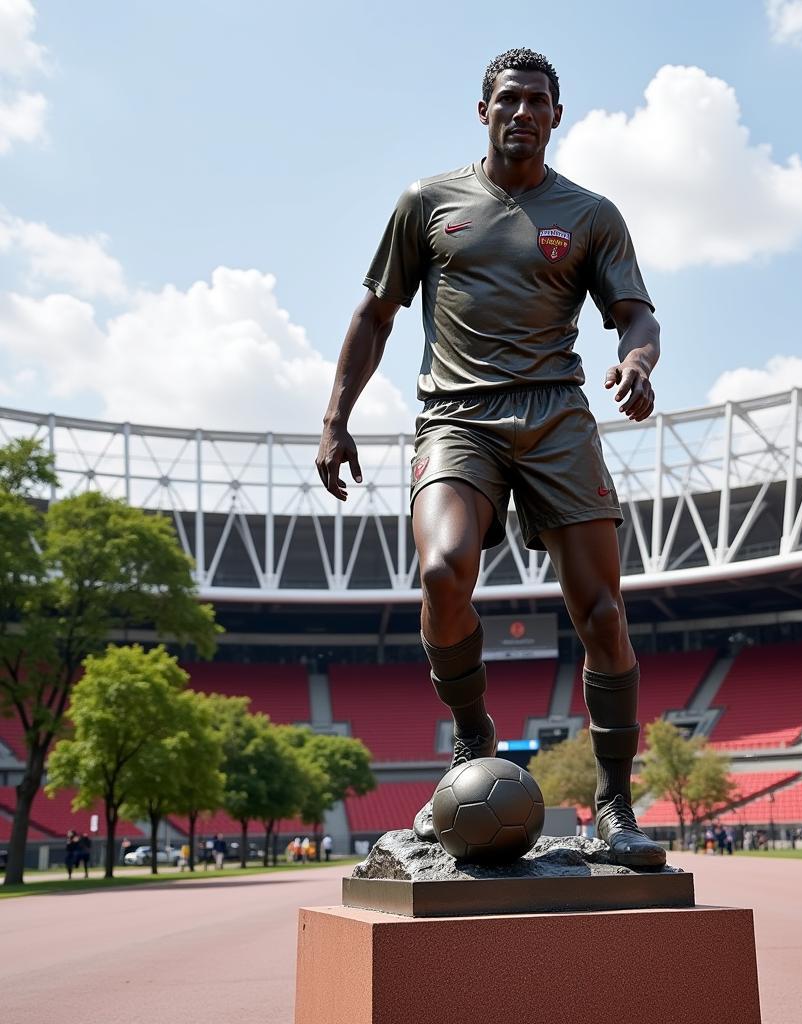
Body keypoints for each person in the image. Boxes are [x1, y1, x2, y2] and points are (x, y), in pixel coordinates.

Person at [316, 48, 663, 869]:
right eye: (508, 99)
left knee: (605, 617)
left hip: (557, 421)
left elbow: (636, 319)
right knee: (441, 573)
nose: (523, 112)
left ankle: (615, 805)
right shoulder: (428, 202)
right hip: (456, 418)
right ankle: (474, 734)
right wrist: (335, 418)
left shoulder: (591, 214)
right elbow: (375, 315)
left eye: (538, 100)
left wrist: (640, 364)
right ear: (484, 112)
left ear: (556, 114)